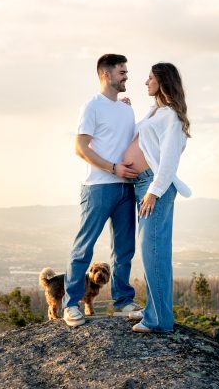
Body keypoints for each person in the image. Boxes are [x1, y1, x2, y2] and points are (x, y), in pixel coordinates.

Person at [62, 54, 143, 327]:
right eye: (122, 72)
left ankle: (123, 301)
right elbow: (80, 148)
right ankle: (71, 305)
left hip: (126, 187)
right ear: (106, 74)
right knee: (83, 247)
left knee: (124, 249)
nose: (127, 76)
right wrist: (113, 168)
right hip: (98, 187)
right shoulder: (91, 106)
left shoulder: (126, 109)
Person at [122, 62, 191, 333]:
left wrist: (154, 191)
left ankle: (159, 320)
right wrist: (125, 112)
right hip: (144, 185)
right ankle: (154, 309)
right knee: (151, 252)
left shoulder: (171, 116)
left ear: (162, 81)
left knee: (154, 252)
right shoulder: (156, 112)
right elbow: (139, 138)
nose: (145, 82)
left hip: (154, 187)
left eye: (150, 78)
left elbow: (169, 159)